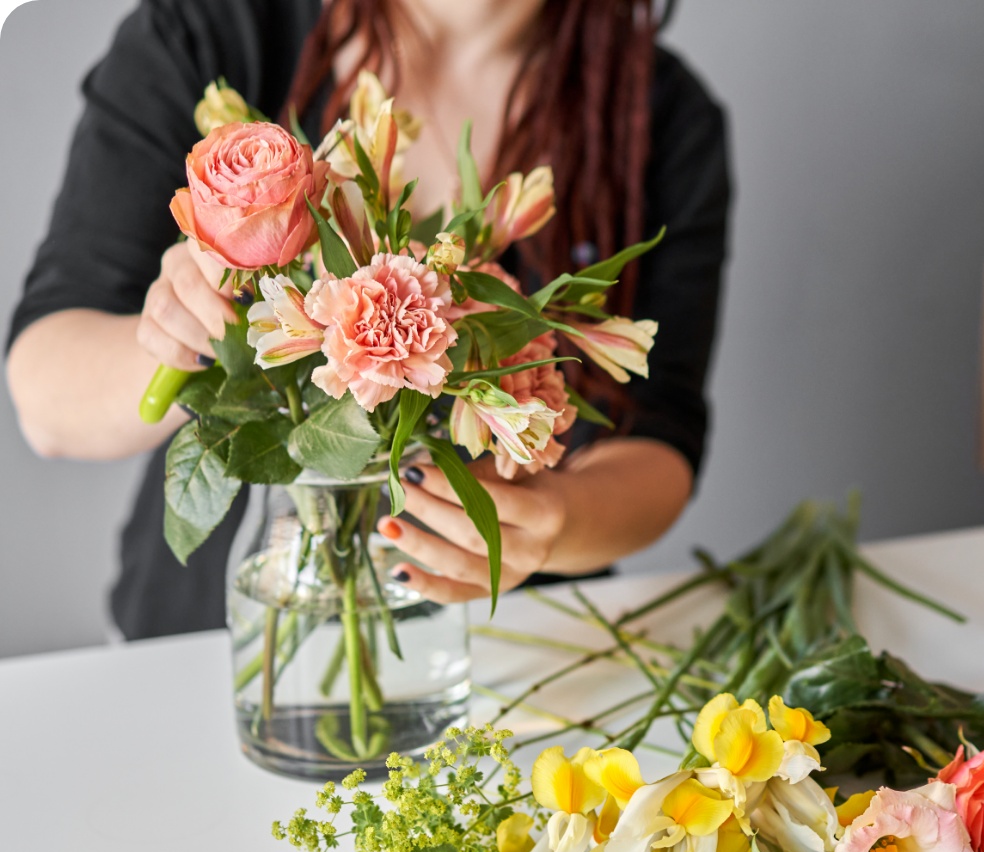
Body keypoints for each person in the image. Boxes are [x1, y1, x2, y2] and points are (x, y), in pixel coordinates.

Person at [5, 0, 730, 639]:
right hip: (209, 644)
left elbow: (658, 438)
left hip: (510, 649)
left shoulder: (658, 114)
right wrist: (194, 331)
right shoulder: (216, 27)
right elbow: (45, 401)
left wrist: (554, 523)